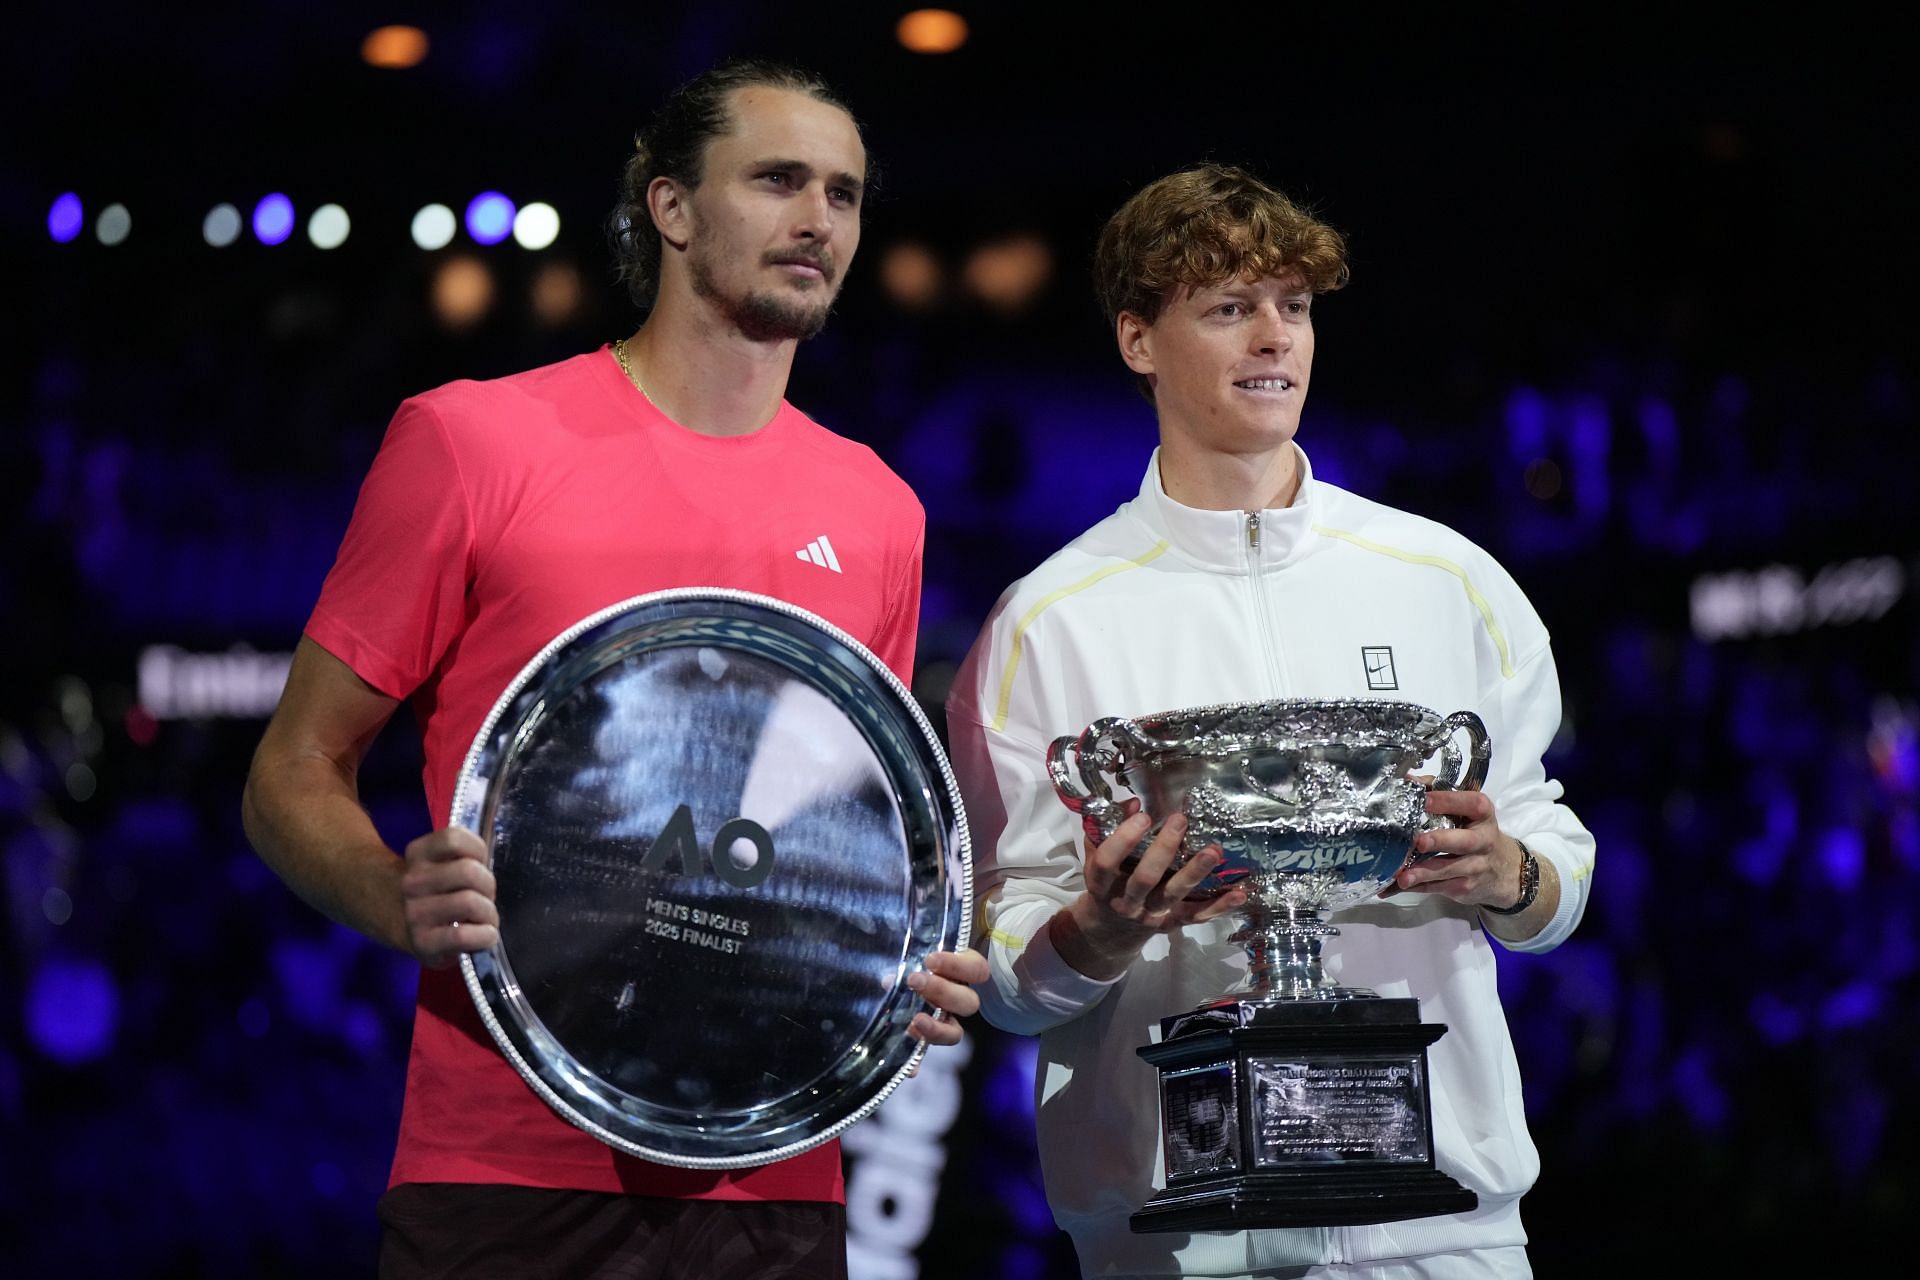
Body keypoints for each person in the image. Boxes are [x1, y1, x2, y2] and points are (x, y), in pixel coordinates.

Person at [242, 59, 987, 1280]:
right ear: (672, 207)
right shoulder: (473, 440)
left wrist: (907, 953)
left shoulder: (881, 509)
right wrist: (393, 896)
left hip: (777, 1174)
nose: (819, 220)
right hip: (504, 1167)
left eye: (845, 194)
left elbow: (845, 835)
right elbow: (290, 770)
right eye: (778, 180)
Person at [945, 164, 1596, 1279]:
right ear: (1138, 339)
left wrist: (1508, 875)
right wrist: (1097, 931)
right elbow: (1002, 967)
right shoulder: (1049, 621)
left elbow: (1559, 868)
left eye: (1293, 307)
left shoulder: (1447, 577)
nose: (1274, 338)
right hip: (1178, 1238)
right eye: (1229, 307)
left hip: (1445, 1228)